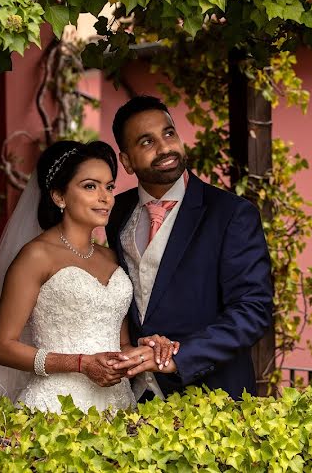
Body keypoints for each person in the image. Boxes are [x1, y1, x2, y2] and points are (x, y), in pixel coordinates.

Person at [0, 140, 176, 412]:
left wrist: (145, 351)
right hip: (55, 408)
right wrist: (81, 364)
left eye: (109, 186)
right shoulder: (36, 256)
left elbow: (120, 344)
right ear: (59, 196)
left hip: (117, 407)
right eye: (90, 186)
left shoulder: (112, 257)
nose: (105, 197)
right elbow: (1, 347)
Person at [106, 95, 274, 401]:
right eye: (146, 142)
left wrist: (180, 358)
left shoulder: (231, 214)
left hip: (213, 401)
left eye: (168, 133)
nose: (165, 147)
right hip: (132, 401)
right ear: (127, 161)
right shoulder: (114, 213)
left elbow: (253, 310)